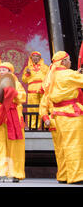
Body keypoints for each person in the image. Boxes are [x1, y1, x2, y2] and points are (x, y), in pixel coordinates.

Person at [40, 51, 83, 184]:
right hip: (70, 115)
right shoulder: (66, 74)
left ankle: (64, 175)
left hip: (58, 115)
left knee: (62, 148)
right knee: (73, 146)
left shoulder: (52, 76)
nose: (70, 62)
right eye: (69, 60)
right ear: (63, 62)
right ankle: (76, 177)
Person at [0, 62, 26, 182]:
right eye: (0, 69)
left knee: (14, 146)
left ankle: (15, 173)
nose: (1, 71)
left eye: (4, 70)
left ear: (10, 72)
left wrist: (12, 93)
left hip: (12, 114)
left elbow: (22, 97)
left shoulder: (16, 83)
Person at [38, 83, 66, 183]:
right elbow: (43, 108)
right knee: (60, 151)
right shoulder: (47, 94)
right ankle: (63, 175)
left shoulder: (67, 88)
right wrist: (45, 118)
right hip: (56, 122)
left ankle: (74, 174)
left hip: (70, 120)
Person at [21, 51, 49, 129]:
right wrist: (27, 74)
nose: (35, 58)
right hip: (32, 90)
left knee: (44, 107)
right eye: (34, 56)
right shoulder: (27, 68)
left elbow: (49, 78)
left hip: (43, 89)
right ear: (31, 58)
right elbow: (24, 80)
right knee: (32, 108)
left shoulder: (45, 67)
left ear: (40, 58)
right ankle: (33, 126)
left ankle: (45, 125)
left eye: (37, 56)